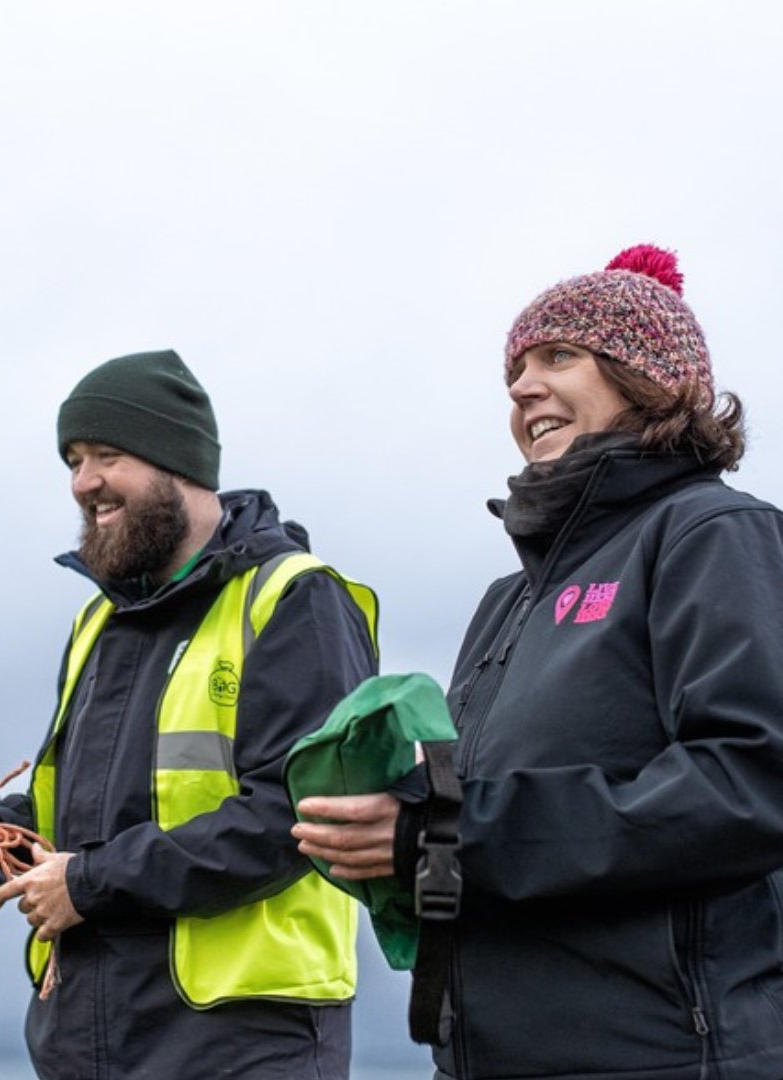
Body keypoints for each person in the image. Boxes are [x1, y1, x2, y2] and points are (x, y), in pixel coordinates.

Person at [292, 245, 783, 1079]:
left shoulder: (709, 533)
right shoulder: (505, 599)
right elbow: (489, 820)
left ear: (649, 379)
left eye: (559, 356)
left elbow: (749, 784)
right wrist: (396, 826)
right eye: (515, 370)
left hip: (661, 1056)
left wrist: (442, 836)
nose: (521, 389)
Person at [0, 349, 380, 1079]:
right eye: (73, 459)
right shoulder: (97, 621)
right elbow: (87, 816)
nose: (82, 482)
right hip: (86, 1036)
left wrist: (86, 884)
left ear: (177, 461)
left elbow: (296, 819)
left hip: (243, 1045)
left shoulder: (295, 599)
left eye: (106, 454)